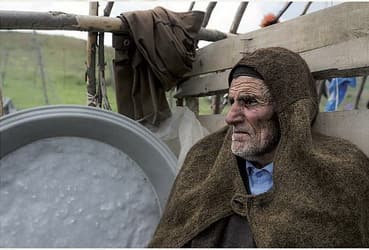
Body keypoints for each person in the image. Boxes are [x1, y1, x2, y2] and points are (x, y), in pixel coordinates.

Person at [148, 47, 369, 247]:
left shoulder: (341, 173)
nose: (231, 118)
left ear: (290, 114)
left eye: (249, 102)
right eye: (231, 101)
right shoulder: (203, 159)